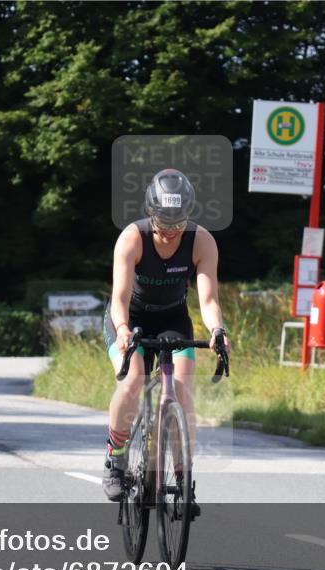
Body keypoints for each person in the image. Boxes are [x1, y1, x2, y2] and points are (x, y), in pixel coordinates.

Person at [102, 168, 231, 509]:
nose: (172, 230)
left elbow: (208, 300)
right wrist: (123, 329)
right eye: (164, 221)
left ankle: (182, 478)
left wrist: (217, 330)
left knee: (183, 392)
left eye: (179, 222)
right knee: (133, 380)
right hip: (129, 319)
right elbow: (119, 297)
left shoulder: (201, 240)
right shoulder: (133, 238)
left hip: (173, 318)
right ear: (151, 213)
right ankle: (115, 459)